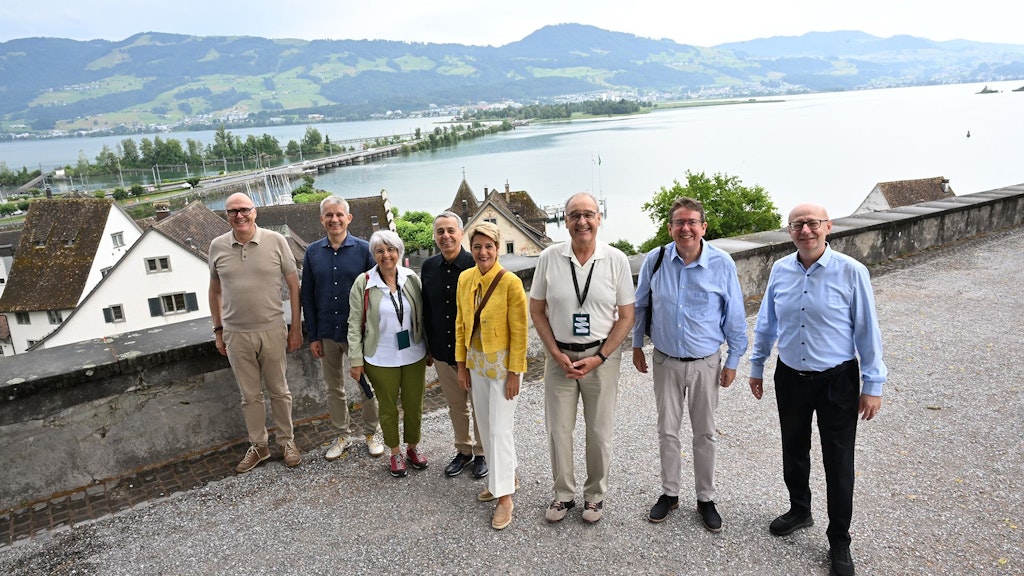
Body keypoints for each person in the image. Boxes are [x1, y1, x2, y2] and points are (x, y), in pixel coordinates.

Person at [748, 203, 885, 576]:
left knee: (838, 461)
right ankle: (800, 510)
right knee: (794, 448)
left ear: (828, 227)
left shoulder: (851, 272)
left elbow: (867, 331)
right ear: (790, 230)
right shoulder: (780, 270)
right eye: (797, 224)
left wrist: (872, 384)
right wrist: (757, 365)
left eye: (812, 223)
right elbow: (766, 323)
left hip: (837, 379)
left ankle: (839, 541)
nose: (805, 230)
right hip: (790, 375)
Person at [632, 197, 748, 531]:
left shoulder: (722, 264)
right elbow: (640, 306)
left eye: (692, 222)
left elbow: (735, 316)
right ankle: (670, 493)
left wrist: (734, 361)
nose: (685, 228)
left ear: (703, 227)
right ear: (670, 228)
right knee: (667, 431)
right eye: (679, 222)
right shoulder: (655, 261)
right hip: (665, 361)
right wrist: (637, 345)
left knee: (705, 433)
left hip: (706, 363)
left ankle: (706, 498)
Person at [529, 192, 635, 524]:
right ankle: (563, 495)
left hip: (600, 358)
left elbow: (626, 316)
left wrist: (601, 357)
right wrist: (554, 352)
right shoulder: (549, 257)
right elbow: (537, 310)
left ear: (599, 218)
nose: (582, 221)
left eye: (588, 214)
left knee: (599, 431)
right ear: (565, 220)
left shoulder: (615, 259)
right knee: (558, 430)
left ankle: (594, 497)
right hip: (559, 357)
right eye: (574, 215)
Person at [208, 192, 303, 473]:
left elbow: (294, 286)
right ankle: (259, 445)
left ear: (255, 211)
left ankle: (287, 441)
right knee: (249, 396)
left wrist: (295, 327)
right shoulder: (217, 246)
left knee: (280, 391)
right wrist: (218, 330)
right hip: (236, 334)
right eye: (232, 211)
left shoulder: (276, 241)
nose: (239, 216)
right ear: (226, 216)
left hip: (272, 328)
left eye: (244, 210)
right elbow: (214, 290)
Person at [455, 222, 528, 530]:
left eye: (488, 246)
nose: (482, 252)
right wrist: (461, 365)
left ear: (497, 249)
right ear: (470, 249)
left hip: (503, 365)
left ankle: (505, 497)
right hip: (476, 361)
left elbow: (520, 332)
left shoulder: (510, 282)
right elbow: (460, 323)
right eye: (477, 246)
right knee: (486, 428)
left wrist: (515, 372)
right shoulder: (465, 278)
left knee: (499, 430)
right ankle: (504, 477)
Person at [301, 195, 385, 460]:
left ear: (348, 218)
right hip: (326, 332)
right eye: (329, 215)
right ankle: (342, 435)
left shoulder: (363, 250)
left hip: (358, 334)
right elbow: (308, 296)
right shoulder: (312, 252)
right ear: (322, 219)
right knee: (333, 388)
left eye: (339, 214)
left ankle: (372, 433)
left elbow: (375, 293)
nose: (334, 219)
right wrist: (313, 336)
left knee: (366, 384)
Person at [347, 230, 429, 478]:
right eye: (380, 251)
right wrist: (355, 359)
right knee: (388, 407)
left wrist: (430, 347)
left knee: (414, 405)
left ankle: (412, 447)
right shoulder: (363, 283)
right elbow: (353, 324)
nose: (386, 255)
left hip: (414, 353)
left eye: (391, 249)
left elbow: (423, 315)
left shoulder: (411, 278)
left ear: (399, 252)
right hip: (380, 358)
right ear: (374, 254)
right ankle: (395, 452)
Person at [421, 212, 489, 479]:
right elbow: (425, 309)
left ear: (461, 233)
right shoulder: (427, 268)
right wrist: (428, 346)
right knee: (455, 405)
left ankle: (482, 452)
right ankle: (464, 450)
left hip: (474, 352)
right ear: (435, 237)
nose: (445, 236)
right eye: (440, 231)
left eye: (450, 230)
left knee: (479, 404)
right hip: (441, 350)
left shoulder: (476, 264)